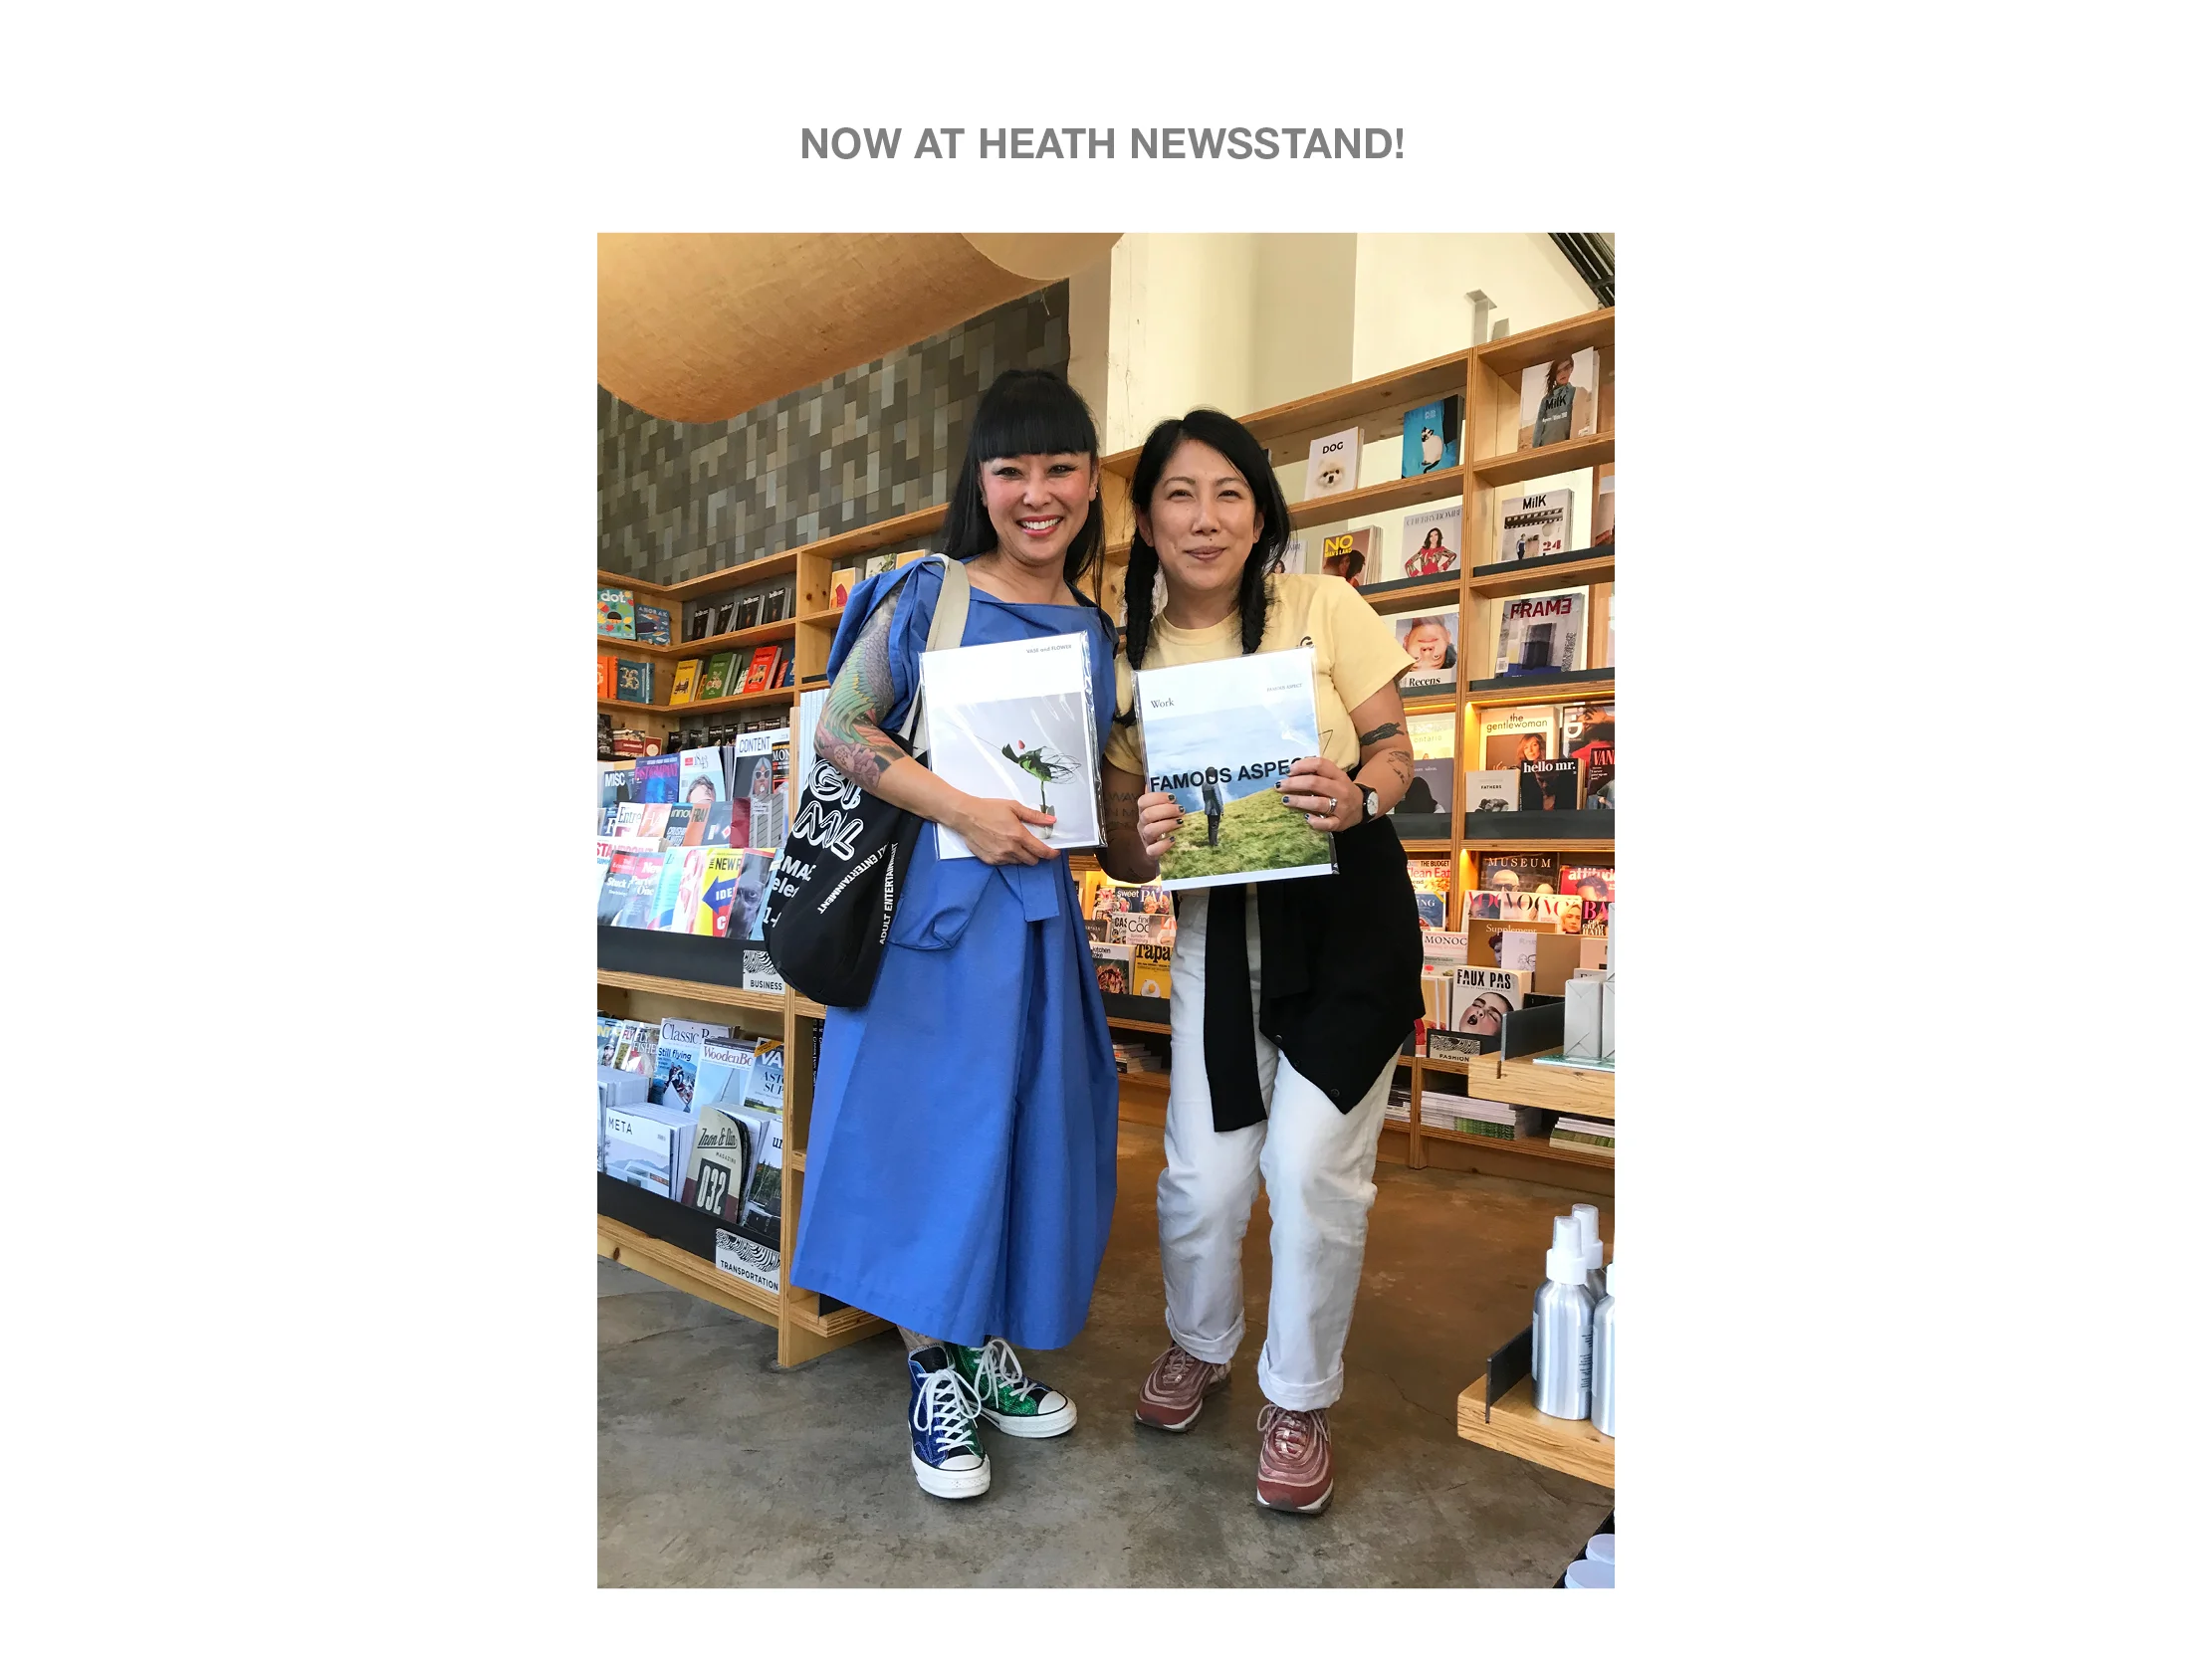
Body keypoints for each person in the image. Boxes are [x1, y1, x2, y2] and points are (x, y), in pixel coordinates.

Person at [788, 368, 1120, 1503]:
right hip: (927, 929)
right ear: (978, 482)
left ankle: (979, 1344)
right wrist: (966, 810)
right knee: (919, 1144)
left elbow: (1085, 799)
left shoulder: (1096, 630)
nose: (1037, 493)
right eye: (1011, 469)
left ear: (1092, 481)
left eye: (1059, 467)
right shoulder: (931, 593)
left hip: (1039, 932)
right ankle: (932, 1366)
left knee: (1024, 1141)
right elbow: (840, 727)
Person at [1100, 408, 1426, 1516]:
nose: (1205, 518)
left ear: (1259, 511)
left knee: (1308, 1167)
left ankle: (1297, 1395)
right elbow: (1118, 847)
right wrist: (1139, 841)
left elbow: (1394, 749)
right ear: (1147, 521)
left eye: (1228, 493)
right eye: (1179, 495)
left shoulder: (1320, 605)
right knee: (1201, 1175)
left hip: (1346, 923)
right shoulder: (1131, 664)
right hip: (1217, 929)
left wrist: (1359, 792)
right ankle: (1200, 1341)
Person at [1533, 354, 1579, 446]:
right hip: (1545, 446)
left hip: (1565, 445)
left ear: (1571, 368)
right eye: (1558, 372)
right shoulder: (1546, 400)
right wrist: (1535, 450)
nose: (1562, 374)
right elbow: (1539, 426)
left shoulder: (1574, 392)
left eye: (1566, 368)